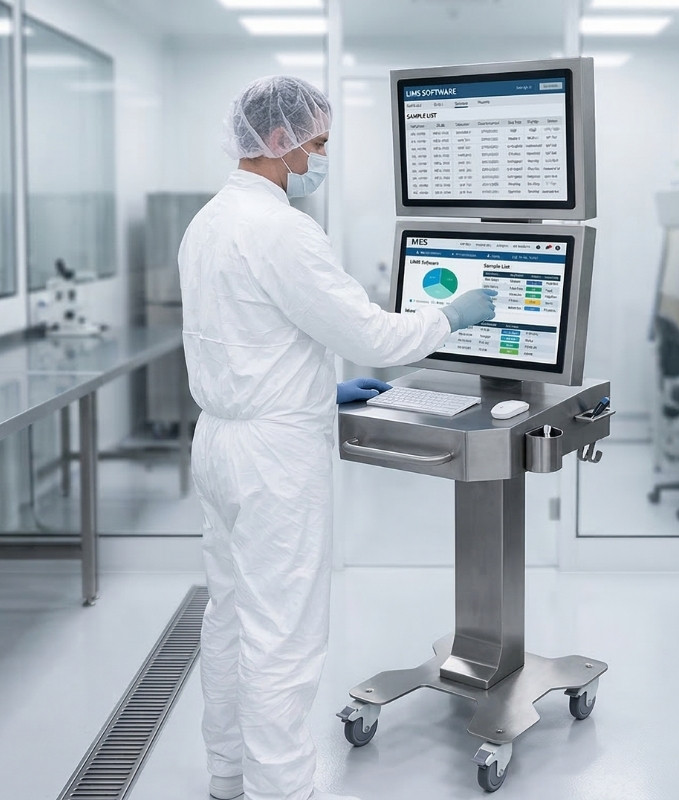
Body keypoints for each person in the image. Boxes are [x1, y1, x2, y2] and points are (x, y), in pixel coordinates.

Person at [178, 75, 496, 800]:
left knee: (229, 616)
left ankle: (229, 778)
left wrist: (319, 389)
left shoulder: (210, 222)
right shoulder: (282, 230)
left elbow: (246, 341)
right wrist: (452, 316)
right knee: (282, 634)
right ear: (281, 141)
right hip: (274, 462)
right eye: (317, 144)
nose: (321, 158)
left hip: (223, 442)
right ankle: (284, 789)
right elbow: (368, 334)